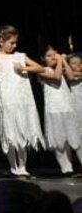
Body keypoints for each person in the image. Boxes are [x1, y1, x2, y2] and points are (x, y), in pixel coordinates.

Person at [0, 25, 44, 177]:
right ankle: (14, 167)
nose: (15, 46)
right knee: (11, 135)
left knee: (22, 133)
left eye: (16, 42)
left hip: (24, 100)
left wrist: (24, 68)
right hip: (8, 101)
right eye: (11, 42)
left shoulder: (20, 56)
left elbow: (40, 68)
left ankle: (23, 167)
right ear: (1, 41)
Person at [37, 46, 81, 176]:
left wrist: (64, 61)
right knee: (59, 139)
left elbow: (71, 76)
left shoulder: (62, 68)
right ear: (43, 58)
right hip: (54, 109)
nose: (53, 58)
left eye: (55, 55)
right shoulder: (42, 70)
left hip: (67, 107)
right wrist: (61, 60)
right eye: (49, 56)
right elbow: (56, 77)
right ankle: (66, 168)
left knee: (74, 137)